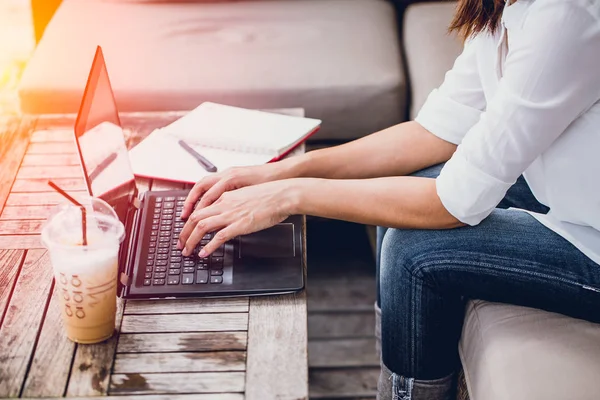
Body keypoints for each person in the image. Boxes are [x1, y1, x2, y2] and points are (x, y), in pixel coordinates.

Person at [178, 0, 600, 398]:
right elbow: (434, 132)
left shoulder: (567, 15)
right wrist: (281, 170)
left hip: (592, 241)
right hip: (576, 199)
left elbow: (449, 203)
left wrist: (288, 195)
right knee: (400, 190)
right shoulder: (504, 7)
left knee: (413, 249)